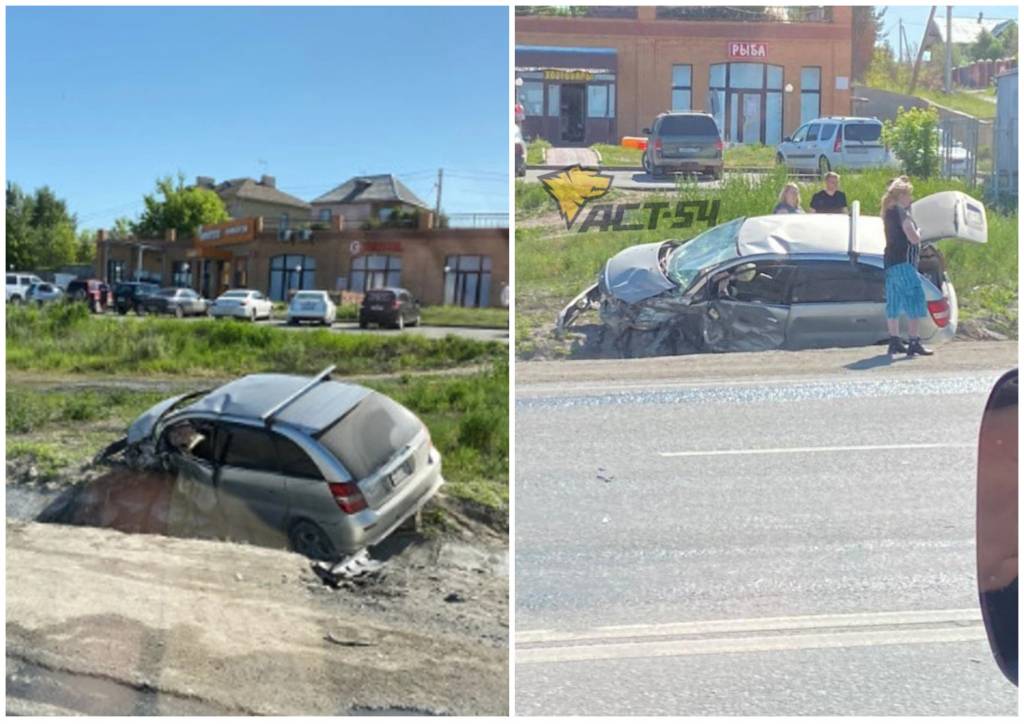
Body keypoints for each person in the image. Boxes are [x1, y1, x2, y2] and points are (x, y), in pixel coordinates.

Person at [881, 177, 933, 357]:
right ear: (902, 195)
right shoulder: (901, 213)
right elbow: (913, 238)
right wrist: (919, 232)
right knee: (914, 300)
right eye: (909, 194)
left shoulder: (888, 212)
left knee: (893, 302)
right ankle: (913, 341)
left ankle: (894, 340)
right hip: (905, 263)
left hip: (890, 263)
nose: (911, 198)